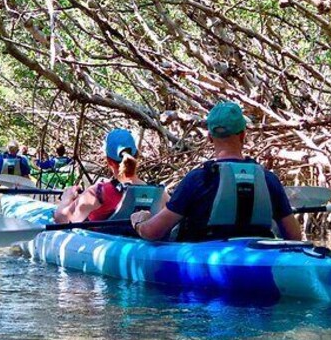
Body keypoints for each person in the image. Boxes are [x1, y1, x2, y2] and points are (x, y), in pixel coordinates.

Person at [129, 102, 302, 242]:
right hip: (257, 260)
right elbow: (294, 237)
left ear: (210, 137)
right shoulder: (268, 179)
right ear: (243, 135)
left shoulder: (197, 179)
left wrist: (140, 222)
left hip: (205, 261)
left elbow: (153, 232)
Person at [54, 129, 146, 223]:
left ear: (109, 161)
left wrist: (66, 198)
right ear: (137, 155)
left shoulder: (98, 193)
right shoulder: (158, 194)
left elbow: (61, 218)